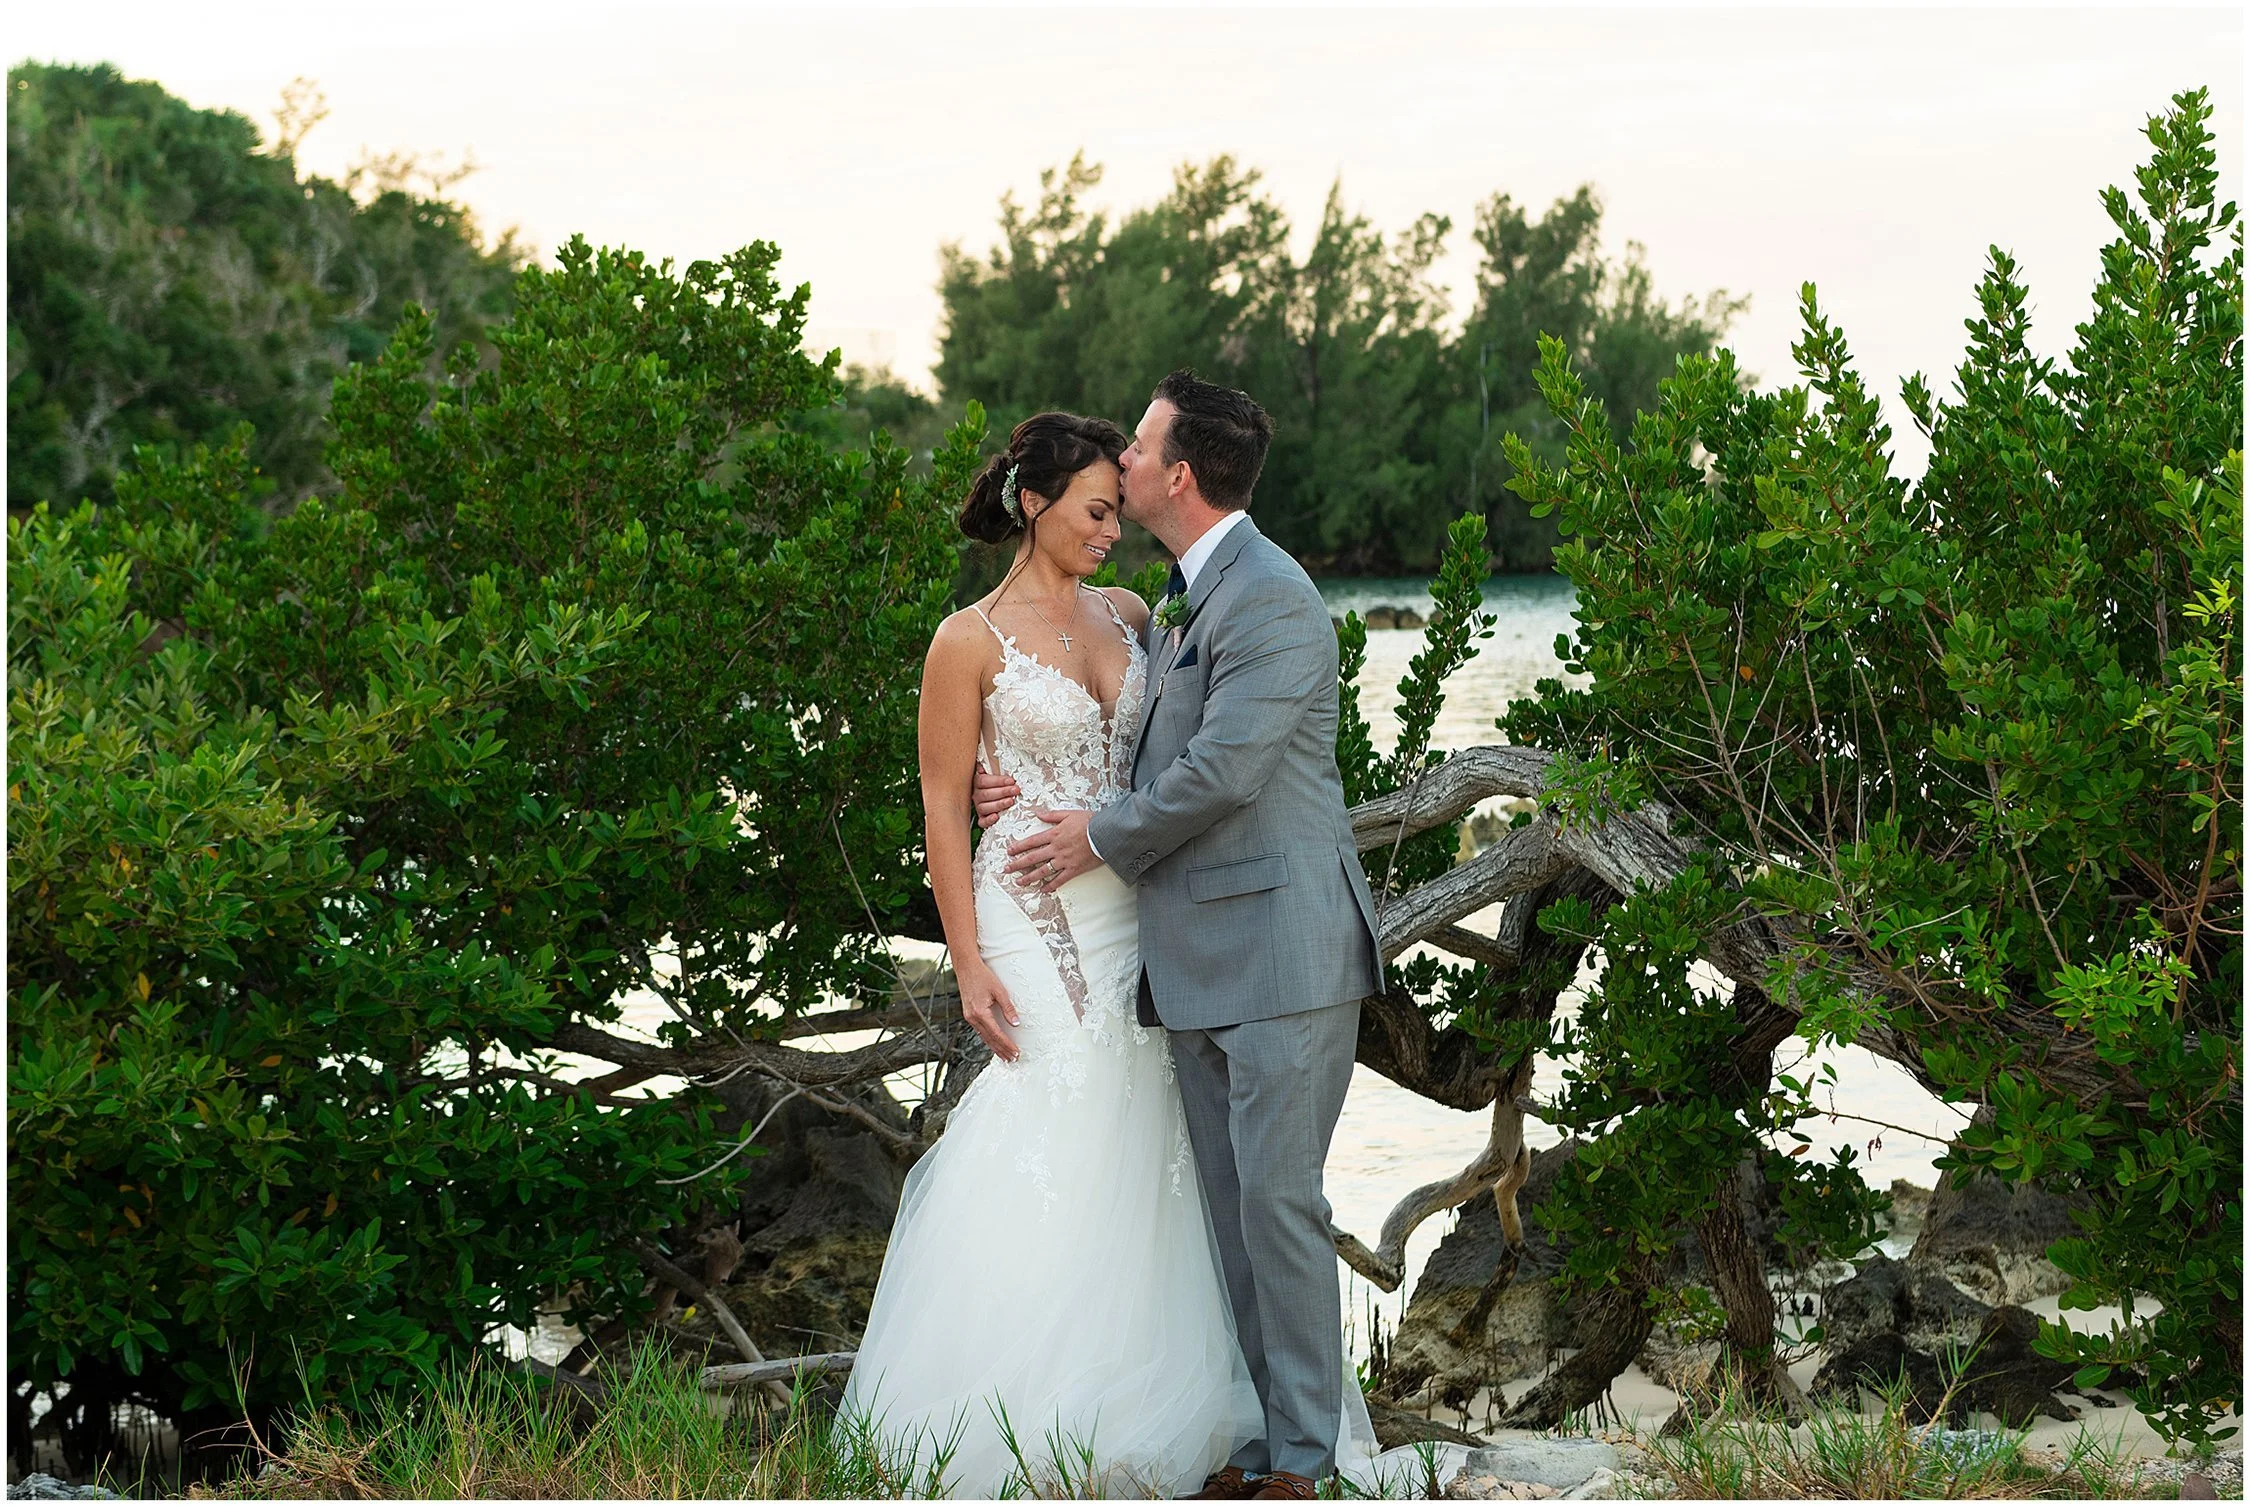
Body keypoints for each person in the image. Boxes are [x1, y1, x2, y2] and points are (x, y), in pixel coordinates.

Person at [976, 371, 1385, 1500]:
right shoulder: (1182, 595)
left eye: (1143, 447)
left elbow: (1225, 773)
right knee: (1231, 1211)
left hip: (1284, 955)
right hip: (1196, 962)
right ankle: (1272, 1435)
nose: (1129, 464)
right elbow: (1134, 743)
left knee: (1281, 1205)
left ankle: (1304, 1459)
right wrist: (999, 780)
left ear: (1182, 474)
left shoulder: (1274, 598)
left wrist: (1096, 837)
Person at [839, 410, 1263, 1497]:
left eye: (1119, 513)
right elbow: (941, 808)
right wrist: (966, 961)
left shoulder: (1131, 614)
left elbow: (1179, 752)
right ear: (1034, 503)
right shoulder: (965, 640)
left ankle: (1139, 1393)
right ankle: (1017, 1404)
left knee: (1148, 1122)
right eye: (1093, 510)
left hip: (1136, 907)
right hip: (1030, 915)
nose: (1111, 531)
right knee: (1060, 1104)